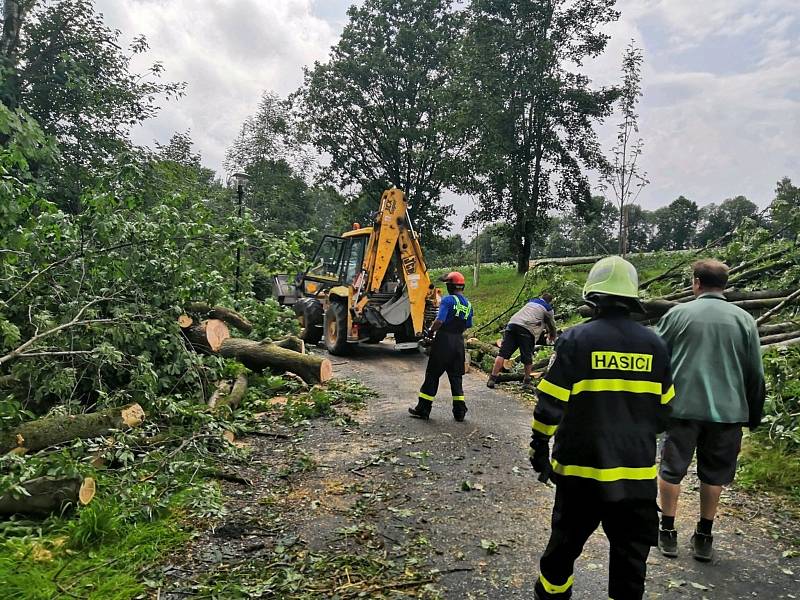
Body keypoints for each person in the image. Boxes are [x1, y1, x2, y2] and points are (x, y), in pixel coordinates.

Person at [529, 256, 674, 600]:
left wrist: (539, 446)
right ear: (633, 299)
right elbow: (666, 411)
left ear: (592, 298)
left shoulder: (576, 339)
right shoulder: (655, 345)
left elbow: (550, 404)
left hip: (580, 474)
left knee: (561, 554)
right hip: (635, 480)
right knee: (630, 567)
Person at [654, 259, 765, 562]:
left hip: (682, 408)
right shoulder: (744, 320)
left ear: (697, 283)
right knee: (714, 475)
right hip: (728, 412)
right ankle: (704, 535)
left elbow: (656, 358)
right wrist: (753, 413)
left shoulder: (678, 314)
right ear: (724, 285)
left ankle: (667, 531)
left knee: (671, 469)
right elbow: (755, 373)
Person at [408, 271, 474, 422]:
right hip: (458, 343)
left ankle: (423, 409)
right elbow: (468, 324)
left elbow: (440, 321)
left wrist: (430, 332)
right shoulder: (469, 305)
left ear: (451, 285)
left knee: (432, 375)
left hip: (444, 341)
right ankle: (459, 412)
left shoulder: (448, 300)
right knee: (456, 378)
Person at [487, 293, 557, 390]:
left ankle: (492, 378)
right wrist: (553, 335)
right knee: (527, 356)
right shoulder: (548, 308)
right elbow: (551, 324)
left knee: (502, 353)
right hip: (526, 330)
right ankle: (526, 381)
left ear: (541, 297)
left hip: (512, 325)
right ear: (550, 301)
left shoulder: (531, 302)